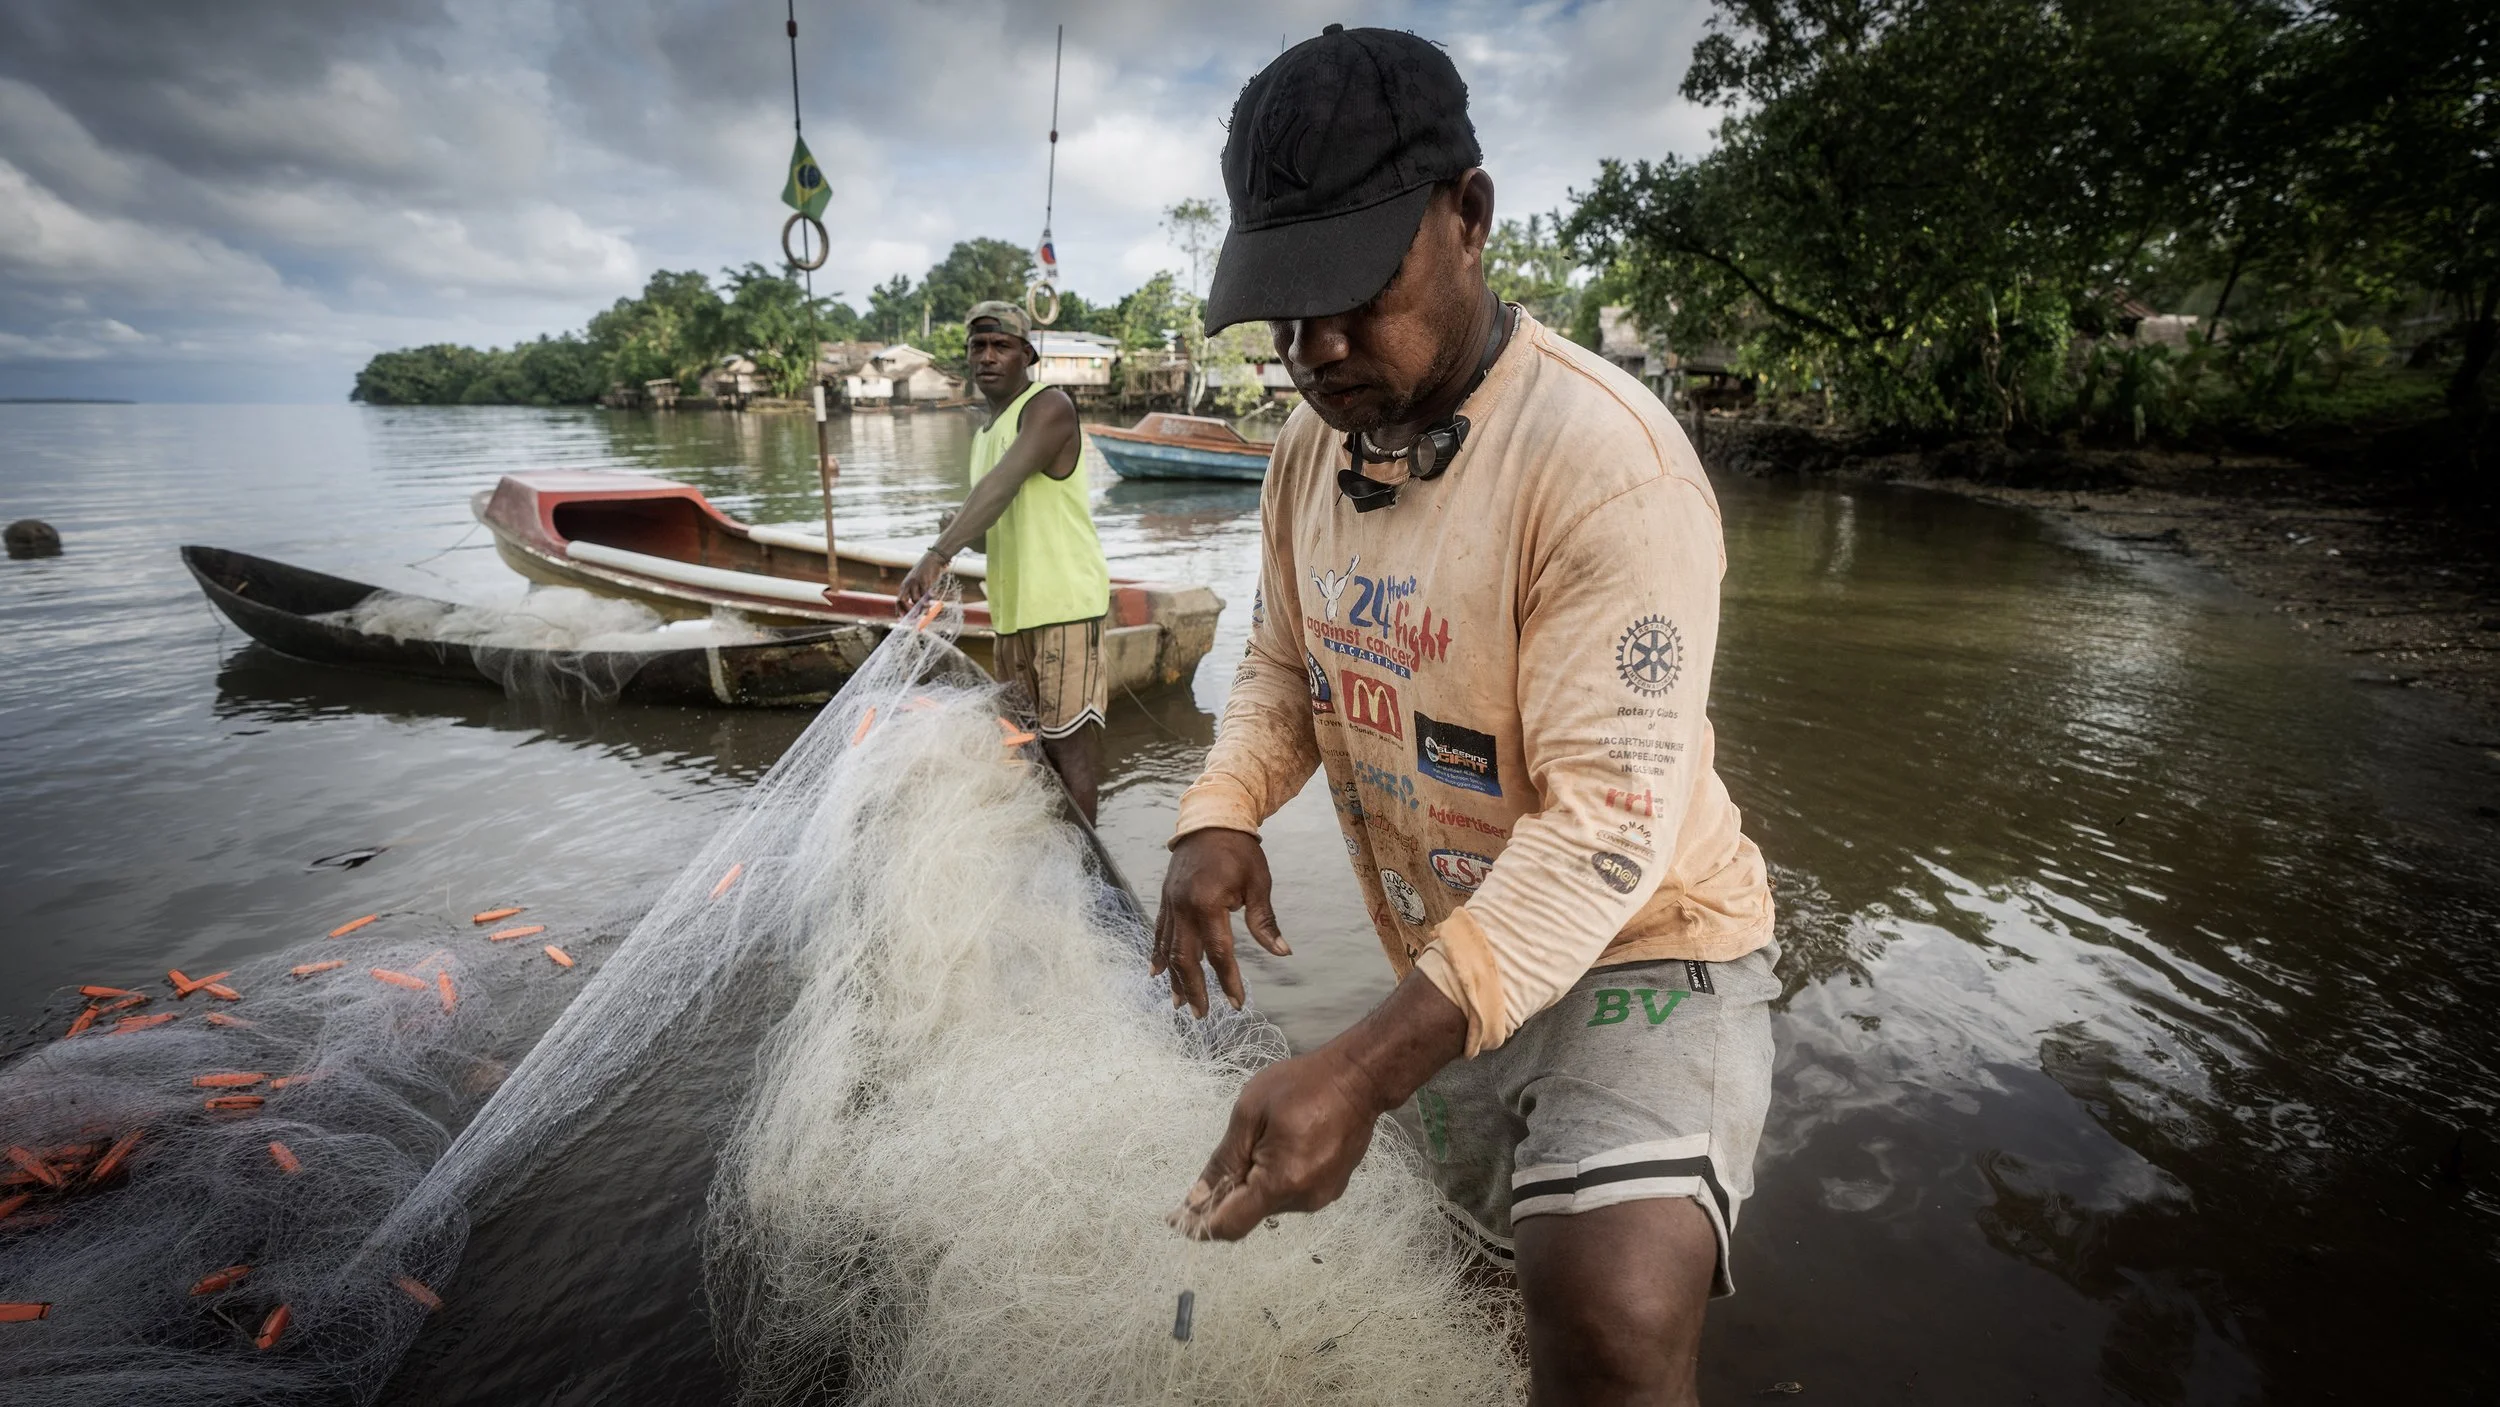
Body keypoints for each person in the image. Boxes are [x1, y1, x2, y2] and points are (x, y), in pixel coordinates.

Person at [1152, 26, 1777, 1405]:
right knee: (1491, 1291)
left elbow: (1608, 830)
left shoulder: (1606, 467)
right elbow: (1281, 666)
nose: (1312, 347)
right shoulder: (1310, 453)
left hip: (1642, 943)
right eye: (1281, 306)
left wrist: (1364, 1067)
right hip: (1451, 950)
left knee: (1608, 1311)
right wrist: (1221, 812)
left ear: (1470, 217)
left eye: (1351, 292)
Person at [893, 300, 1111, 820]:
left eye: (1002, 346)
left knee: (1070, 752)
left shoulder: (1048, 407)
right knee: (1027, 750)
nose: (988, 357)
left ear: (1026, 355)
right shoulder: (984, 435)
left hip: (1063, 608)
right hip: (1011, 616)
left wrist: (939, 551)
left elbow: (1001, 485)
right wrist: (958, 529)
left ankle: (1088, 876)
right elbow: (993, 531)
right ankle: (1054, 853)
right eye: (978, 347)